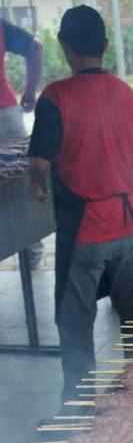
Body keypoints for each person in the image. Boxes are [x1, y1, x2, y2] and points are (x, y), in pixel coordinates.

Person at [28, 5, 133, 401]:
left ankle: (80, 412)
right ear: (106, 45)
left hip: (85, 228)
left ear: (64, 46)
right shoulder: (128, 94)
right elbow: (131, 150)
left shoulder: (55, 96)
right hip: (130, 226)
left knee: (75, 321)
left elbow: (40, 163)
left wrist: (37, 183)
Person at [0, 18, 44, 269]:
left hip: (5, 116)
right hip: (5, 115)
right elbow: (35, 48)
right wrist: (29, 91)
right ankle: (32, 257)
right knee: (20, 189)